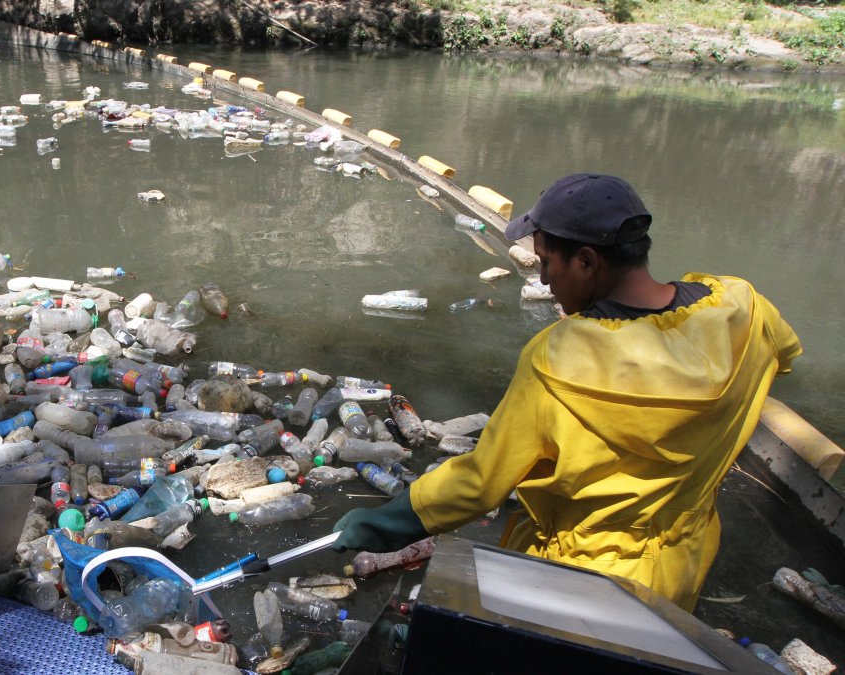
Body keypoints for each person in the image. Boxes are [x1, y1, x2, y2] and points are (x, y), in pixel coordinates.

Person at [332, 173, 802, 611]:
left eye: (546, 262)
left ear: (585, 260)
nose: (541, 279)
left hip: (581, 581)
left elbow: (481, 481)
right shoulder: (744, 310)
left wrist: (388, 520)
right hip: (681, 565)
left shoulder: (561, 357)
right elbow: (783, 356)